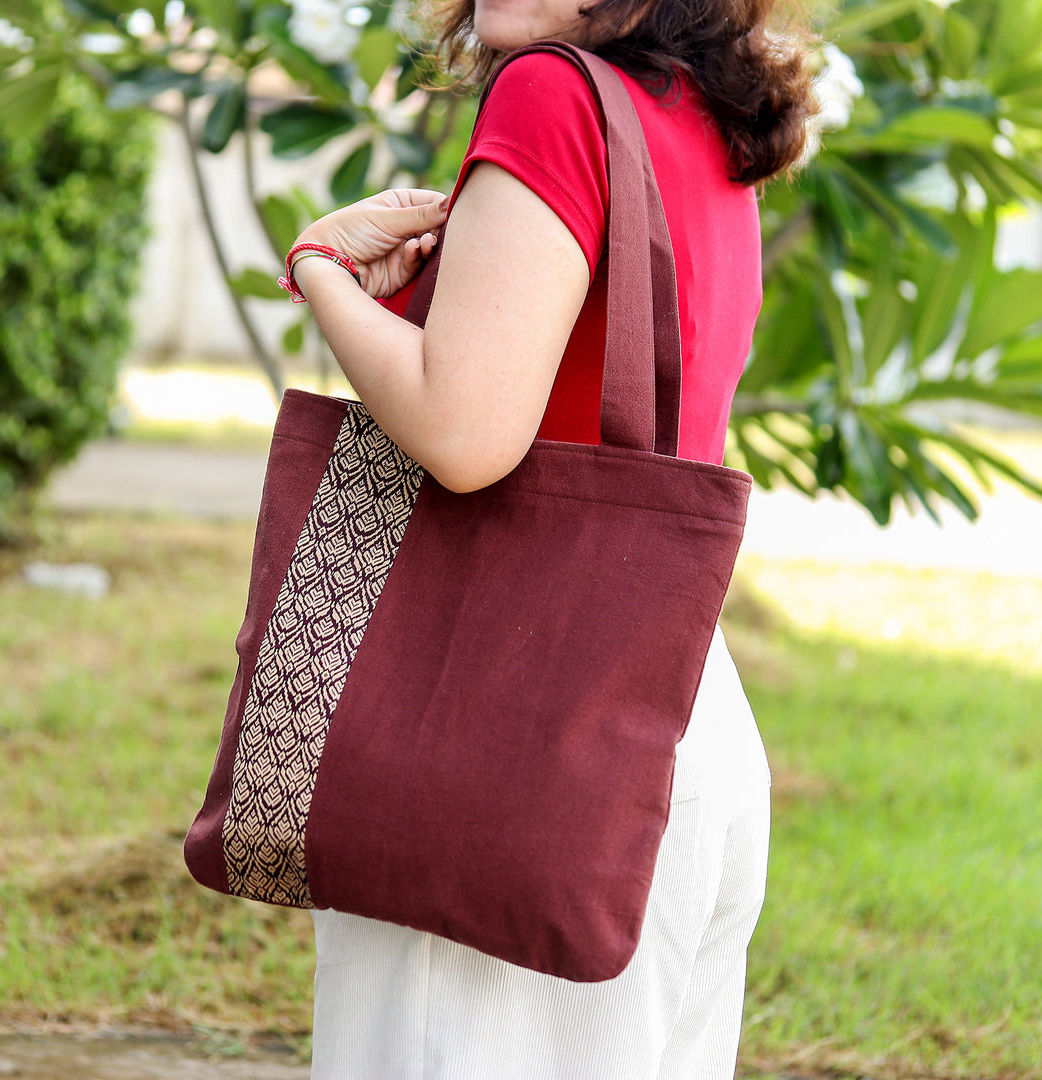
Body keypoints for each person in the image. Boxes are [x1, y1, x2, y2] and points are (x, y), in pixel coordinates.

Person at [285, 0, 815, 1075]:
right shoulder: (708, 120)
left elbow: (465, 434)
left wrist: (322, 275)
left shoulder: (552, 94)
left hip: (512, 726)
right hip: (680, 719)